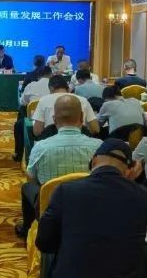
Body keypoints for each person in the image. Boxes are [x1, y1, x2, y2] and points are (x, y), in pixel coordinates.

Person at [36, 139, 147, 278]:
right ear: (129, 170)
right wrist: (129, 181)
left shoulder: (67, 191)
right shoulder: (146, 197)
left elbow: (44, 243)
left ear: (93, 161)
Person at [15, 95, 101, 238]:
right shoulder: (99, 147)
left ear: (54, 119)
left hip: (51, 210)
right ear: (81, 117)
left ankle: (28, 229)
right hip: (89, 207)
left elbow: (31, 178)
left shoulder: (41, 147)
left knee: (27, 187)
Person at [31, 76, 99, 137]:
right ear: (68, 88)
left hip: (51, 143)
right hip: (81, 142)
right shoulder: (83, 100)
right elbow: (95, 129)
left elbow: (37, 131)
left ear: (51, 88)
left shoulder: (43, 100)